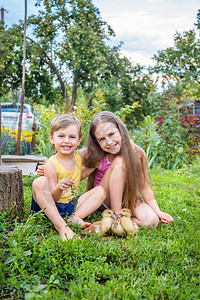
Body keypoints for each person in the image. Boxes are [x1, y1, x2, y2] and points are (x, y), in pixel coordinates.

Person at [84, 111, 174, 227]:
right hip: (105, 199)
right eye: (102, 139)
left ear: (120, 130)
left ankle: (124, 218)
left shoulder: (138, 153)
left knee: (151, 221)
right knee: (120, 161)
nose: (109, 142)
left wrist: (158, 212)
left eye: (111, 134)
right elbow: (77, 174)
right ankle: (117, 217)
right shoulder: (99, 155)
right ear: (96, 141)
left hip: (127, 198)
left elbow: (143, 187)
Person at [31, 114, 106, 240]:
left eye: (72, 137)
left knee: (100, 191)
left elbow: (77, 177)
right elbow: (52, 198)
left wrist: (93, 167)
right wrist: (59, 188)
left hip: (69, 205)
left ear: (79, 140)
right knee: (39, 182)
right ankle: (61, 226)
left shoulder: (77, 157)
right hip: (50, 208)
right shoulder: (51, 164)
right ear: (52, 138)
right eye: (61, 136)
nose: (66, 141)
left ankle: (73, 218)